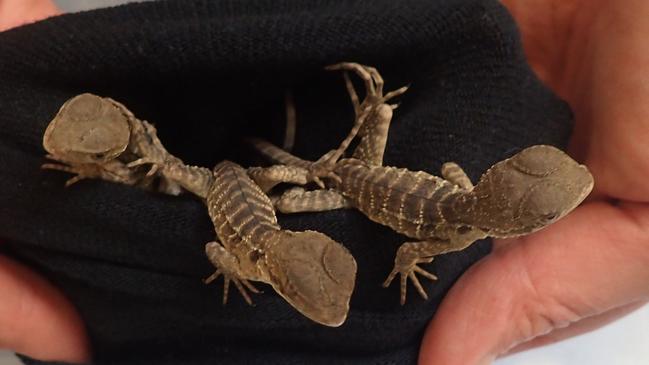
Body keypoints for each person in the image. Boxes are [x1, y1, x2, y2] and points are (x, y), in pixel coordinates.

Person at [0, 0, 647, 364]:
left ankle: (353, 124)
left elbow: (441, 184)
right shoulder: (447, 236)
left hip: (345, 178)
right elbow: (404, 245)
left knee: (317, 161)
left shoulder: (460, 195)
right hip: (343, 183)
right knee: (310, 168)